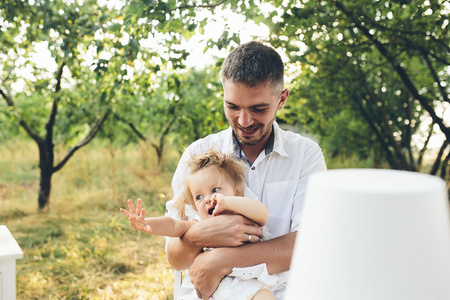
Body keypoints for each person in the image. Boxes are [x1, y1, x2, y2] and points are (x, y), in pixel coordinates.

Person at [166, 40, 327, 299]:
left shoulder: (305, 156)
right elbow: (176, 259)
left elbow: (308, 244)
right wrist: (197, 234)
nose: (244, 121)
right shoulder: (197, 156)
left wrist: (223, 260)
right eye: (232, 107)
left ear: (282, 99)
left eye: (258, 109)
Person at [121, 149, 283, 300]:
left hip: (248, 284)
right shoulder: (198, 224)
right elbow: (173, 225)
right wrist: (146, 223)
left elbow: (262, 214)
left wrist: (227, 203)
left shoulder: (244, 214)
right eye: (199, 197)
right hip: (212, 289)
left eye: (215, 190)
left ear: (237, 191)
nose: (207, 199)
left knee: (265, 296)